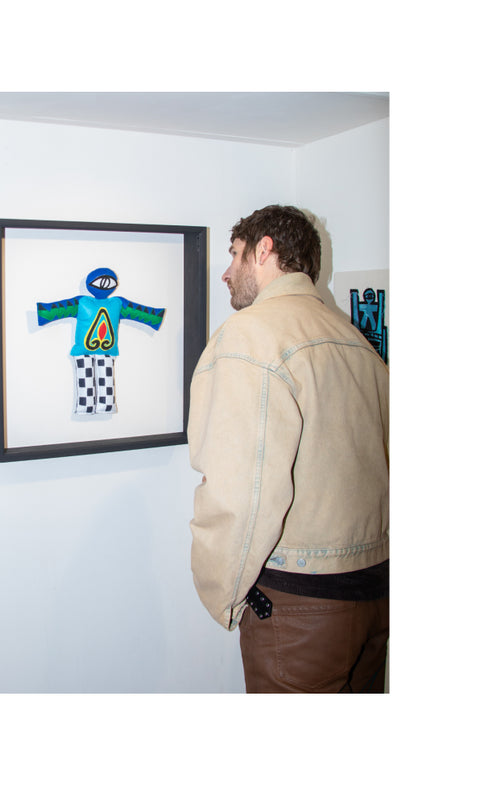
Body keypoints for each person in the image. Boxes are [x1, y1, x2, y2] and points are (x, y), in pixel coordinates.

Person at [187, 205, 389, 693]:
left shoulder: (251, 334)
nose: (226, 272)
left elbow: (241, 492)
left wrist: (222, 595)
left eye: (235, 254)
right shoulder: (354, 339)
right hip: (376, 596)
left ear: (264, 250)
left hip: (302, 609)